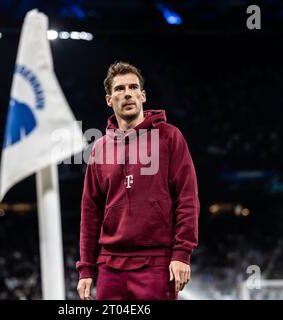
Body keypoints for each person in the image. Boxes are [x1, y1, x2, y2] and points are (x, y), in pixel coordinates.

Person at [76, 61, 200, 300]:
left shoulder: (169, 137)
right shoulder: (99, 149)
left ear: (143, 95)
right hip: (110, 267)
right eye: (120, 89)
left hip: (157, 264)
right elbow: (90, 213)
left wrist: (182, 253)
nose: (127, 93)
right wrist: (85, 269)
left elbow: (187, 198)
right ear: (109, 100)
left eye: (133, 87)